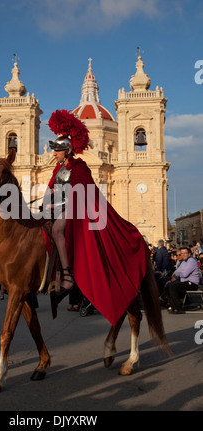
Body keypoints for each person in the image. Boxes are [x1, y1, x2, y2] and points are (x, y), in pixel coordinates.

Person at [44, 109, 150, 326]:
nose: (53, 153)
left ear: (67, 150)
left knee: (56, 230)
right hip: (60, 209)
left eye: (56, 150)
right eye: (53, 150)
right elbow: (50, 189)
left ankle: (66, 274)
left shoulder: (80, 167)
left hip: (77, 210)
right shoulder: (58, 168)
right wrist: (48, 199)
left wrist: (60, 197)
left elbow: (84, 191)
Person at [166, 247, 200, 314]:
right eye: (182, 253)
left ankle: (178, 308)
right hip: (184, 282)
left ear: (189, 254)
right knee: (168, 286)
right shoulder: (184, 262)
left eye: (185, 253)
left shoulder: (192, 261)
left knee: (173, 287)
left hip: (192, 283)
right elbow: (176, 272)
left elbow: (184, 274)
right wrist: (178, 273)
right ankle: (173, 307)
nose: (183, 255)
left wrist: (178, 274)